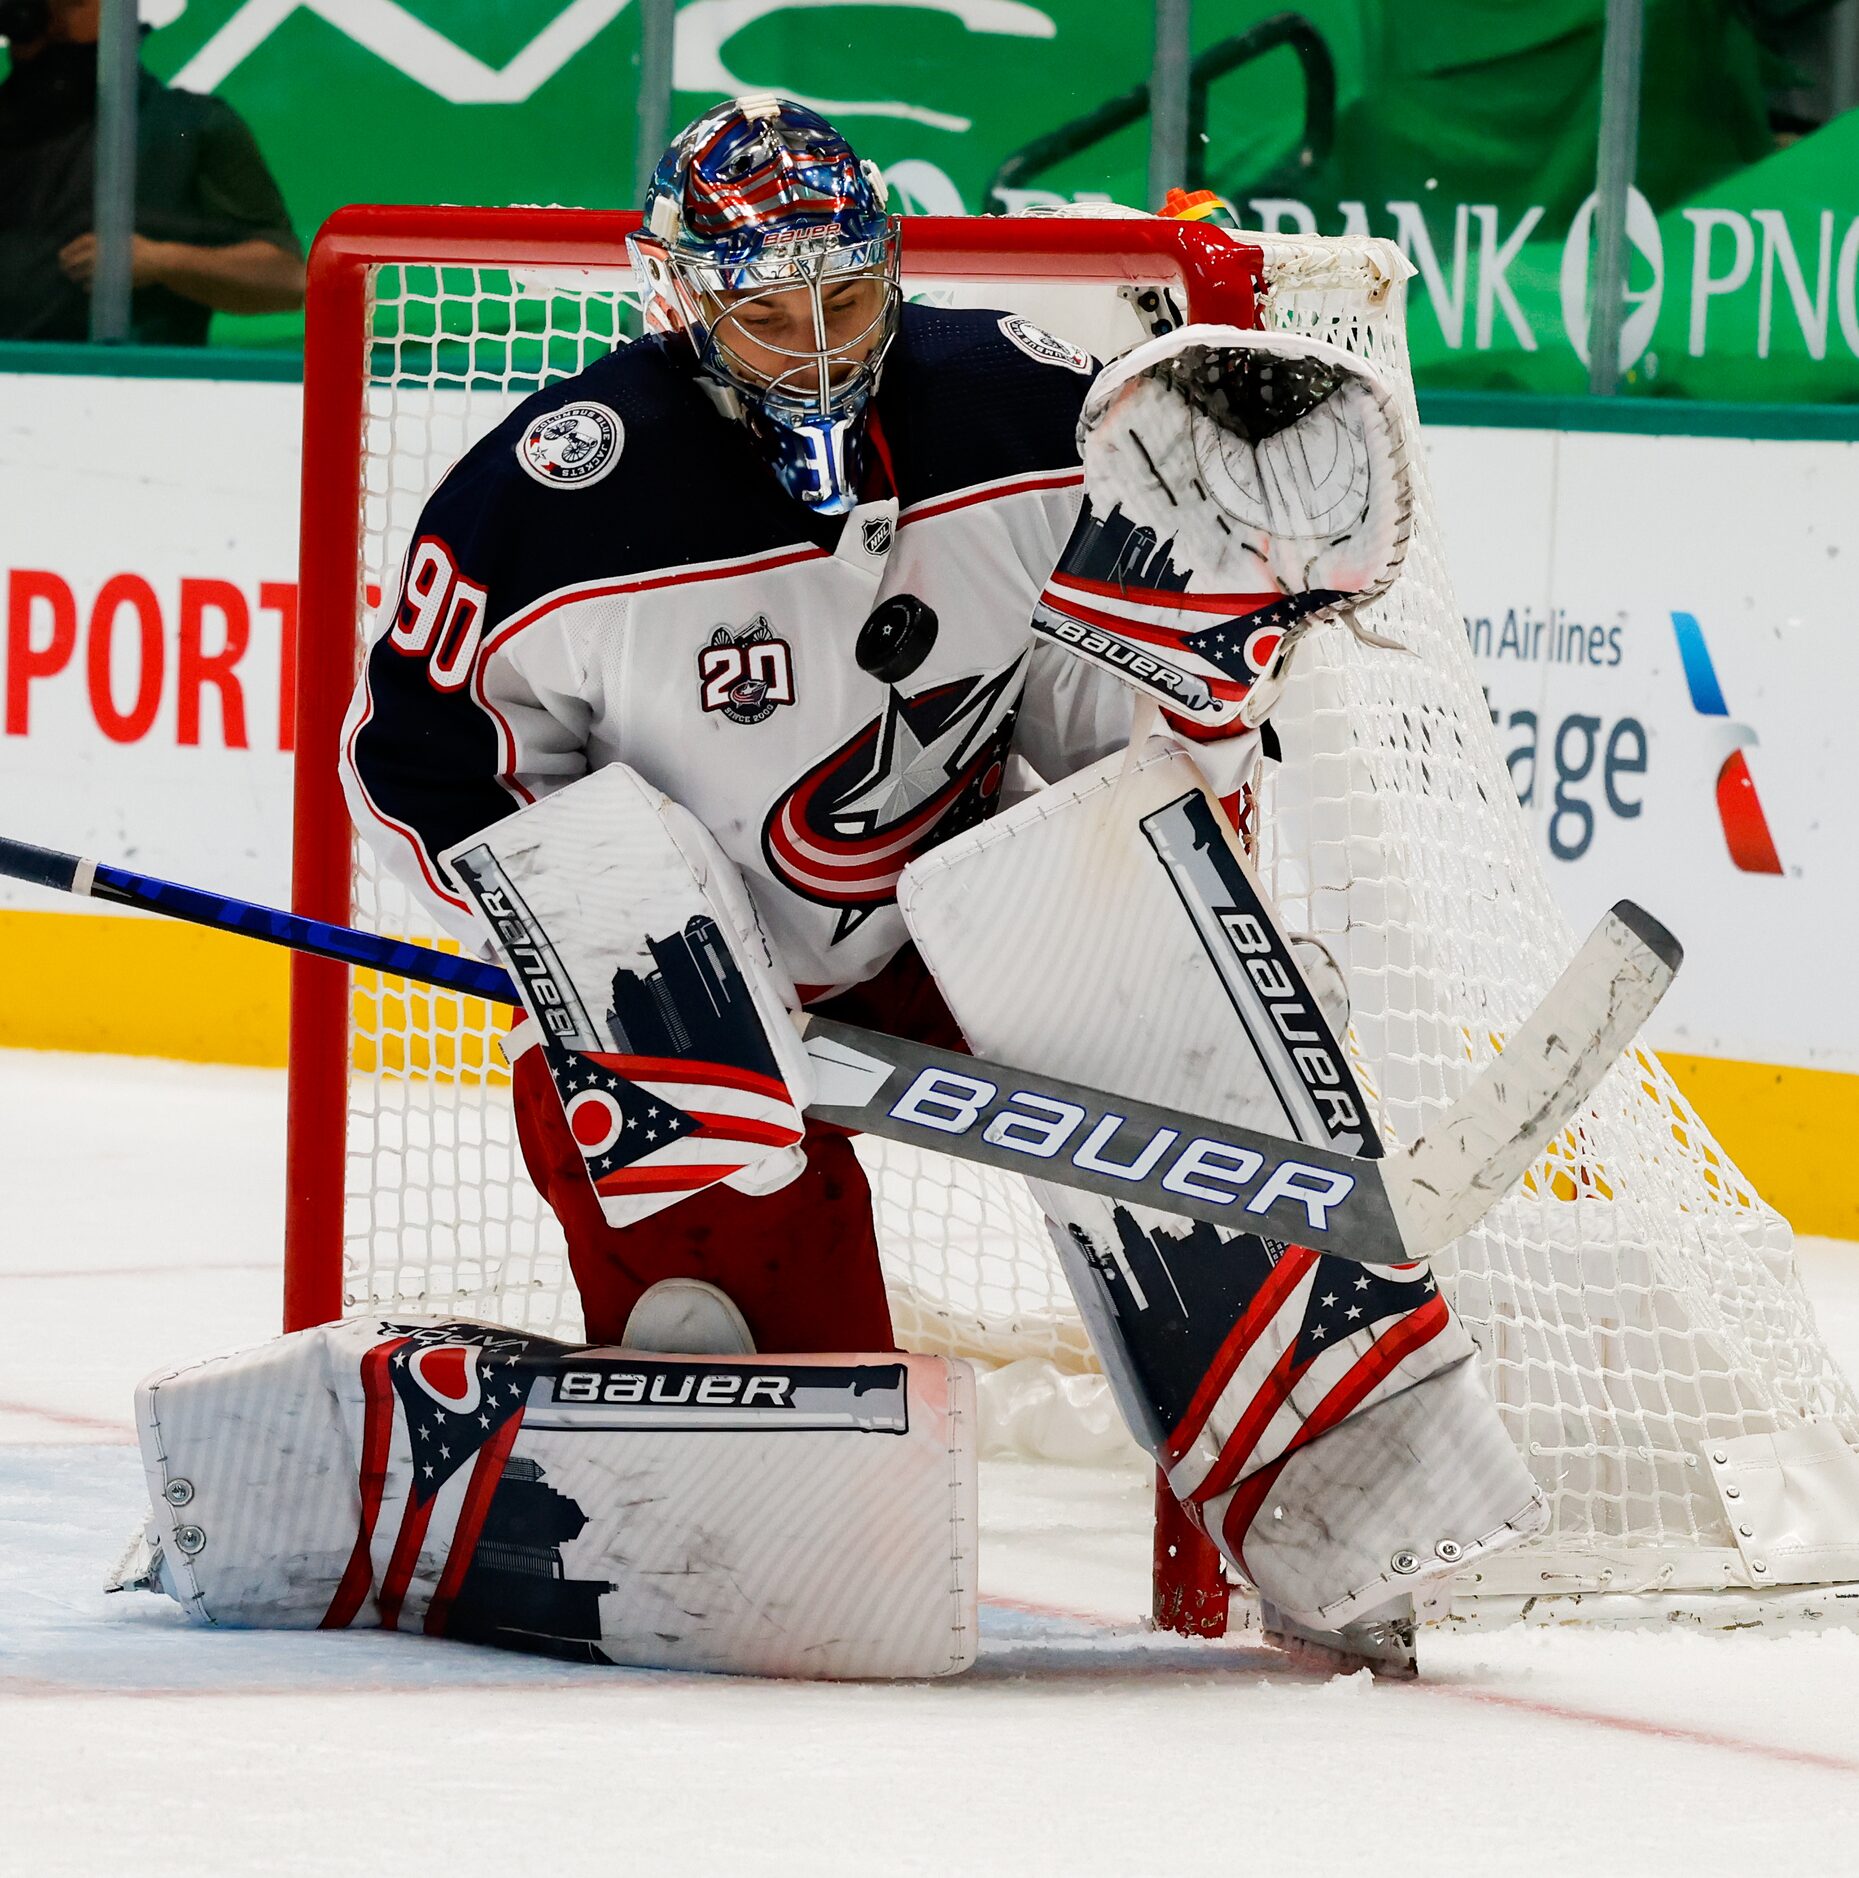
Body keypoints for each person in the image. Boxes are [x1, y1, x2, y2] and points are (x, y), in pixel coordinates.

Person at [343, 95, 1133, 1354]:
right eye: (764, 311)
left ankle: (1324, 1452)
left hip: (967, 928)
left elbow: (1115, 697)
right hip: (705, 1018)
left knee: (1223, 1088)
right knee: (758, 1378)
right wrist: (629, 965)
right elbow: (422, 762)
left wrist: (1183, 825)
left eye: (845, 302)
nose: (814, 349)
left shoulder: (1026, 409)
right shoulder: (553, 494)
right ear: (680, 301)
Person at [0, 0, 303, 343]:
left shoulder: (189, 126)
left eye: (72, 3)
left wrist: (164, 261)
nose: (48, 20)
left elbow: (287, 279)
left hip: (135, 385)